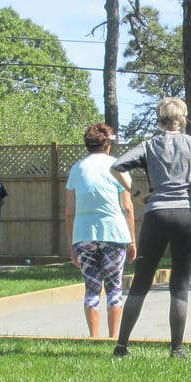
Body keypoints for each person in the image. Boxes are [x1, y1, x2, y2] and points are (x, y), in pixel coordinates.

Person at [110, 98, 191, 358]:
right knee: (180, 285)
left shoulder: (149, 145)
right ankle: (176, 349)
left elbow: (116, 166)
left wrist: (138, 194)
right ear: (183, 118)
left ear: (160, 118)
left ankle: (121, 347)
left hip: (156, 214)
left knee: (141, 282)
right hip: (187, 216)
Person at [65, 123, 137, 339]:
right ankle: (113, 338)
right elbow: (127, 206)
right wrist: (132, 241)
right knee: (114, 287)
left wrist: (71, 246)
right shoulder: (118, 166)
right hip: (114, 233)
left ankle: (94, 337)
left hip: (84, 235)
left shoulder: (77, 169)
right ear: (107, 144)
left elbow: (69, 211)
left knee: (92, 287)